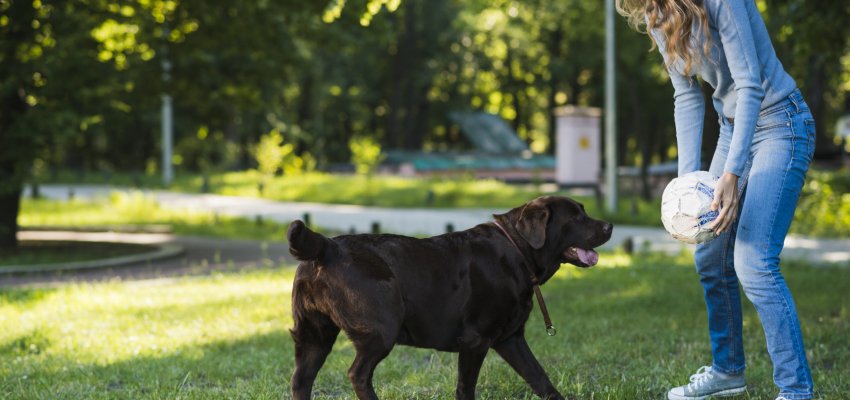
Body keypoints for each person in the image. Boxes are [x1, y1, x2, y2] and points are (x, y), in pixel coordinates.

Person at [616, 0, 816, 399]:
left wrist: (731, 174)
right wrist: (685, 189)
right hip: (731, 128)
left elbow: (750, 84)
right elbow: (686, 96)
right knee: (709, 254)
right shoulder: (658, 14)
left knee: (753, 261)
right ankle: (728, 371)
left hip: (780, 123)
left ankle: (795, 391)